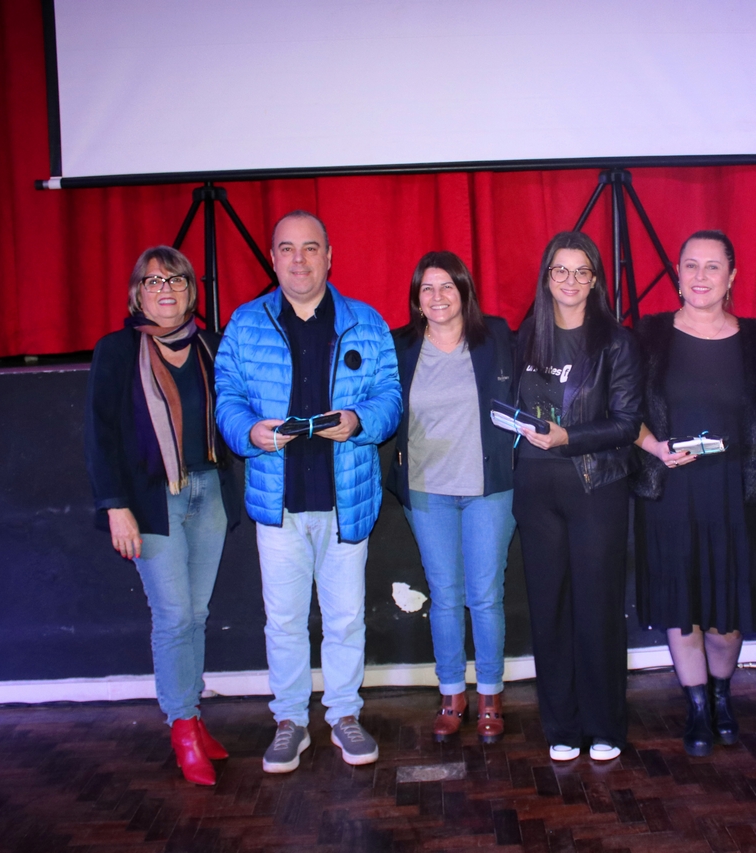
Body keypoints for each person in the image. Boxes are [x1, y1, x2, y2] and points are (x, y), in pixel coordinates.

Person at [215, 211, 402, 773]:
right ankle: (290, 721)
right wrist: (248, 431)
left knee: (345, 620)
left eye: (311, 247)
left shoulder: (366, 322)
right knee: (284, 621)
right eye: (287, 249)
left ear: (329, 256)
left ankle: (344, 714)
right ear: (273, 258)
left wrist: (360, 421)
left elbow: (390, 397)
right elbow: (227, 397)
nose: (299, 259)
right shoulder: (245, 324)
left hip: (347, 502)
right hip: (278, 505)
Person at [85, 246, 239, 786]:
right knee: (173, 617)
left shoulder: (211, 346)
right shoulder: (117, 351)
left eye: (176, 280)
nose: (166, 289)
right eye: (154, 282)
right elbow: (100, 435)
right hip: (151, 500)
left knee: (195, 614)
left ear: (191, 291)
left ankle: (192, 717)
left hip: (209, 493)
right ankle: (181, 728)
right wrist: (115, 507)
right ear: (138, 294)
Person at [633, 230, 756, 757]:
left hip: (735, 495)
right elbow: (621, 410)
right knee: (683, 609)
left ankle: (721, 693)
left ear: (731, 276)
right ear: (678, 274)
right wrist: (653, 446)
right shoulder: (648, 335)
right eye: (690, 265)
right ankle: (697, 705)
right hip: (672, 493)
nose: (700, 276)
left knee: (725, 620)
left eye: (712, 266)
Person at [511, 231, 642, 763]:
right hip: (534, 489)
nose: (570, 280)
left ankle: (604, 725)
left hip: (595, 488)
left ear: (594, 281)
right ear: (547, 277)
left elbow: (627, 422)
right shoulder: (527, 335)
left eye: (581, 271)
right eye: (560, 270)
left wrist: (569, 437)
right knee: (549, 610)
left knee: (598, 609)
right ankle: (561, 726)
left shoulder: (616, 342)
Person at [386, 251, 518, 743]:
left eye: (447, 286)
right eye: (427, 288)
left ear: (464, 291)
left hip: (488, 489)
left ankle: (490, 695)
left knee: (485, 596)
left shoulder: (496, 337)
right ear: (416, 299)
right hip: (426, 492)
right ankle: (451, 694)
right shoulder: (400, 346)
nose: (437, 296)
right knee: (444, 596)